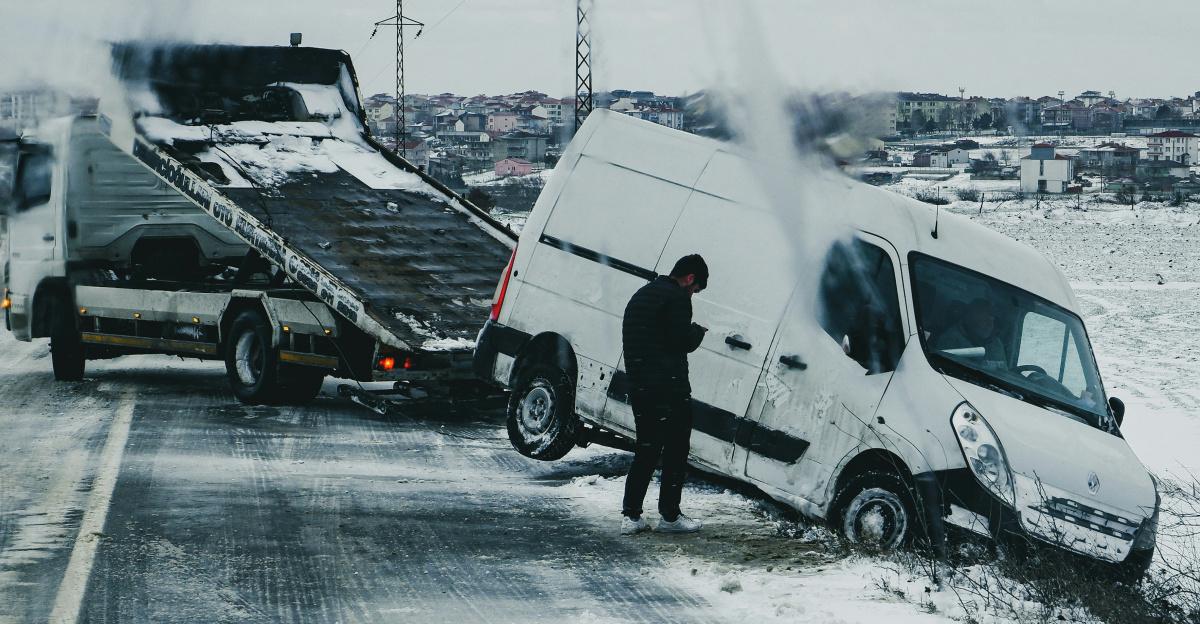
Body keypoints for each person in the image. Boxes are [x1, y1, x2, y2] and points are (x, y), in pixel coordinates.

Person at [620, 254, 709, 535]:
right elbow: (681, 340)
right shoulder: (677, 298)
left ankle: (631, 517)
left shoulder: (641, 294)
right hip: (669, 389)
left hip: (640, 387)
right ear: (691, 279)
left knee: (645, 450)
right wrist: (697, 332)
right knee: (675, 451)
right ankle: (670, 517)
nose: (693, 295)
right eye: (696, 289)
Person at [936, 297, 1007, 366]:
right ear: (968, 321)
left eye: (991, 321)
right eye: (983, 322)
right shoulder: (949, 340)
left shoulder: (995, 343)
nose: (988, 326)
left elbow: (1003, 372)